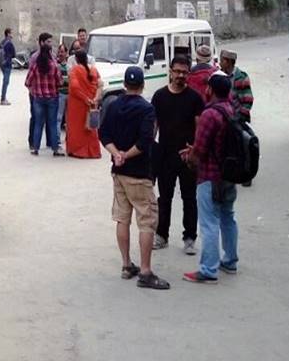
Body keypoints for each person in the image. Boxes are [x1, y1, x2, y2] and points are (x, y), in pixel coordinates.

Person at [99, 66, 170, 290]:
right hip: (139, 173)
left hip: (118, 173)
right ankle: (146, 271)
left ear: (125, 84)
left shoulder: (113, 105)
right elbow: (145, 141)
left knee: (122, 218)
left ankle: (126, 264)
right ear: (142, 85)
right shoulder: (146, 109)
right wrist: (127, 155)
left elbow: (103, 134)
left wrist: (116, 154)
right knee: (147, 221)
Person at [180, 71, 239, 284]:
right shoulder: (231, 110)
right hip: (229, 174)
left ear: (210, 90)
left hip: (210, 175)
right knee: (228, 217)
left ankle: (208, 269)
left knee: (209, 222)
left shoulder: (209, 114)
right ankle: (230, 260)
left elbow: (200, 152)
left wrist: (190, 155)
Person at [151, 55, 204, 255]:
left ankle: (189, 238)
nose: (180, 75)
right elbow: (153, 126)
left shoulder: (195, 98)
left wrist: (195, 152)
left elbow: (200, 128)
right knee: (164, 197)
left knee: (190, 198)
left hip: (187, 157)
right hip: (165, 155)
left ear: (188, 73)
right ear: (170, 72)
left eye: (184, 72)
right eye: (177, 71)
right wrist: (150, 150)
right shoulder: (159, 96)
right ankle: (161, 235)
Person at [219, 49, 254, 186]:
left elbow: (248, 99)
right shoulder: (220, 76)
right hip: (225, 118)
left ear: (228, 62)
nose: (220, 63)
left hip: (238, 118)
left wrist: (241, 117)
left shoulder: (241, 77)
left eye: (222, 60)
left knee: (243, 146)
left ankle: (247, 174)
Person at [24, 33, 62, 156]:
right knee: (51, 123)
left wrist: (33, 91)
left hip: (38, 98)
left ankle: (35, 148)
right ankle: (55, 149)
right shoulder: (54, 66)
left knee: (38, 123)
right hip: (52, 97)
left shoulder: (35, 65)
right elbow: (60, 82)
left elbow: (27, 81)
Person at [66, 50, 102, 159]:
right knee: (91, 128)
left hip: (78, 105)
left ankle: (78, 150)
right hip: (92, 104)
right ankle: (93, 151)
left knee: (77, 127)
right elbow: (100, 85)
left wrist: (86, 99)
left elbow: (74, 88)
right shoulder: (94, 70)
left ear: (76, 59)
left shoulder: (75, 70)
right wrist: (95, 99)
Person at [0, 28, 16, 106]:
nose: (12, 34)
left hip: (2, 64)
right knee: (6, 82)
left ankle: (3, 98)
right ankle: (3, 99)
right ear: (8, 34)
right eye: (11, 33)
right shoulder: (10, 43)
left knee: (5, 81)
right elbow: (13, 54)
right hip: (7, 64)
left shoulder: (2, 42)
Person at [56, 43, 69, 133]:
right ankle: (57, 140)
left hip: (70, 94)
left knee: (69, 118)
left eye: (62, 52)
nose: (61, 54)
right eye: (59, 52)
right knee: (58, 117)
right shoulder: (55, 64)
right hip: (60, 94)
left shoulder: (70, 65)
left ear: (66, 53)